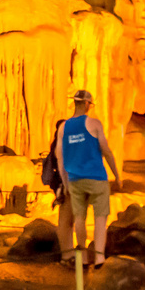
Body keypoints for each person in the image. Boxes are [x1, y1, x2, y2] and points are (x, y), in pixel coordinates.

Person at [55, 89, 122, 268]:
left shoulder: (63, 127)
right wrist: (117, 175)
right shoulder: (94, 124)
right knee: (100, 218)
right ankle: (99, 258)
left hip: (74, 180)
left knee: (79, 219)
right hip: (96, 178)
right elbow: (106, 150)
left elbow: (59, 157)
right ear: (86, 104)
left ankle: (83, 258)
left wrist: (64, 181)